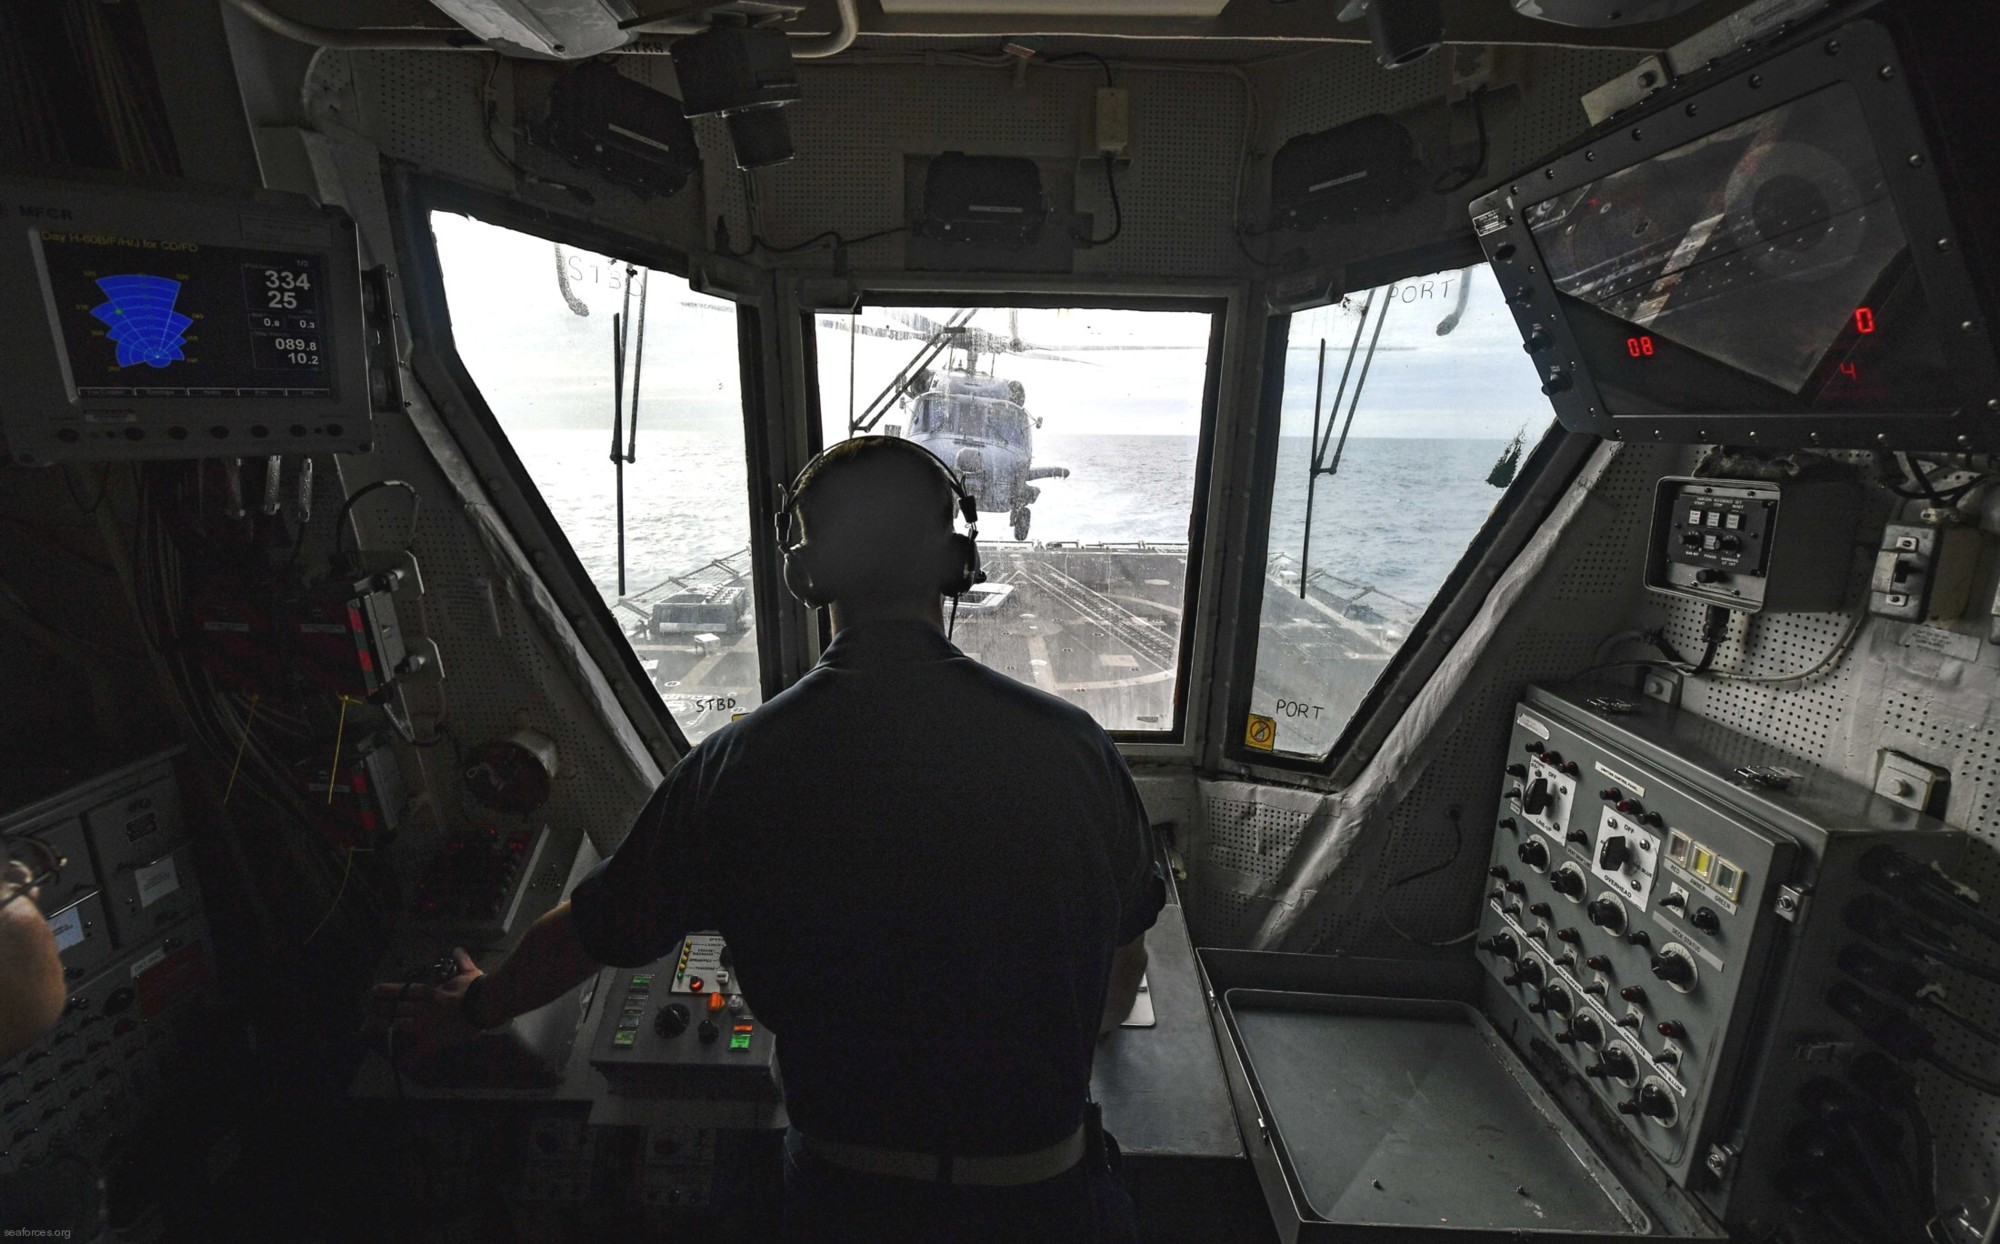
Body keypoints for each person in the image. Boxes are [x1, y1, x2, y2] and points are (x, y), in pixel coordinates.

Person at [382, 436, 1162, 1241]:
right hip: (1049, 1197)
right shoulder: (1074, 747)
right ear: (958, 563)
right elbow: (1118, 975)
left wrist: (476, 1005)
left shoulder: (737, 764)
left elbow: (593, 931)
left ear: (804, 576)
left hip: (847, 1199)